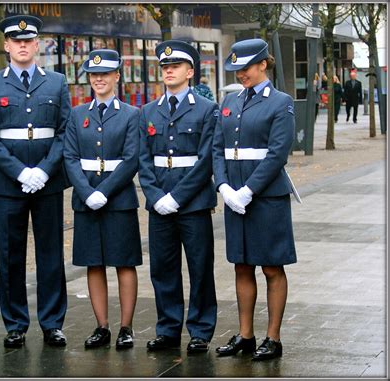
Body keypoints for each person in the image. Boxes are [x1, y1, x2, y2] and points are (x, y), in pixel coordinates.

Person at [0, 15, 70, 348]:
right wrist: (20, 171)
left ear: (37, 44)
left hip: (49, 179)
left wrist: (44, 170)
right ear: (6, 46)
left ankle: (52, 323)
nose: (22, 45)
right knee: (10, 254)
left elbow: (64, 132)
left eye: (28, 41)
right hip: (6, 182)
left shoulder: (56, 82)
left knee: (50, 253)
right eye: (16, 41)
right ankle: (15, 324)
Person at [212, 38, 297, 361]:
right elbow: (217, 148)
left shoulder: (281, 102)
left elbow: (277, 154)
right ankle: (246, 335)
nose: (240, 74)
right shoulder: (230, 102)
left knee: (272, 267)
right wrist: (223, 186)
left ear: (263, 64)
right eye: (236, 69)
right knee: (242, 265)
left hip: (266, 197)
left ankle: (272, 337)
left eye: (245, 68)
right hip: (234, 195)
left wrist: (249, 190)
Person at [138, 40, 219, 353]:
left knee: (199, 267)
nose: (168, 71)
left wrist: (178, 197)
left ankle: (200, 329)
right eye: (165, 67)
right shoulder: (148, 111)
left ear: (190, 72)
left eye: (175, 66)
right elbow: (143, 160)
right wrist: (156, 196)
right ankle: (168, 328)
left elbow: (206, 160)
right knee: (163, 268)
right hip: (159, 203)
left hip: (194, 203)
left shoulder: (206, 109)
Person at [63, 49, 142, 349]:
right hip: (85, 200)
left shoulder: (131, 114)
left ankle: (126, 327)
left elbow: (131, 158)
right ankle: (102, 326)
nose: (98, 79)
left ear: (117, 77)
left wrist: (104, 192)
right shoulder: (77, 113)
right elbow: (70, 157)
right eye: (94, 75)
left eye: (105, 74)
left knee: (123, 263)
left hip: (119, 199)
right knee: (93, 263)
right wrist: (86, 192)